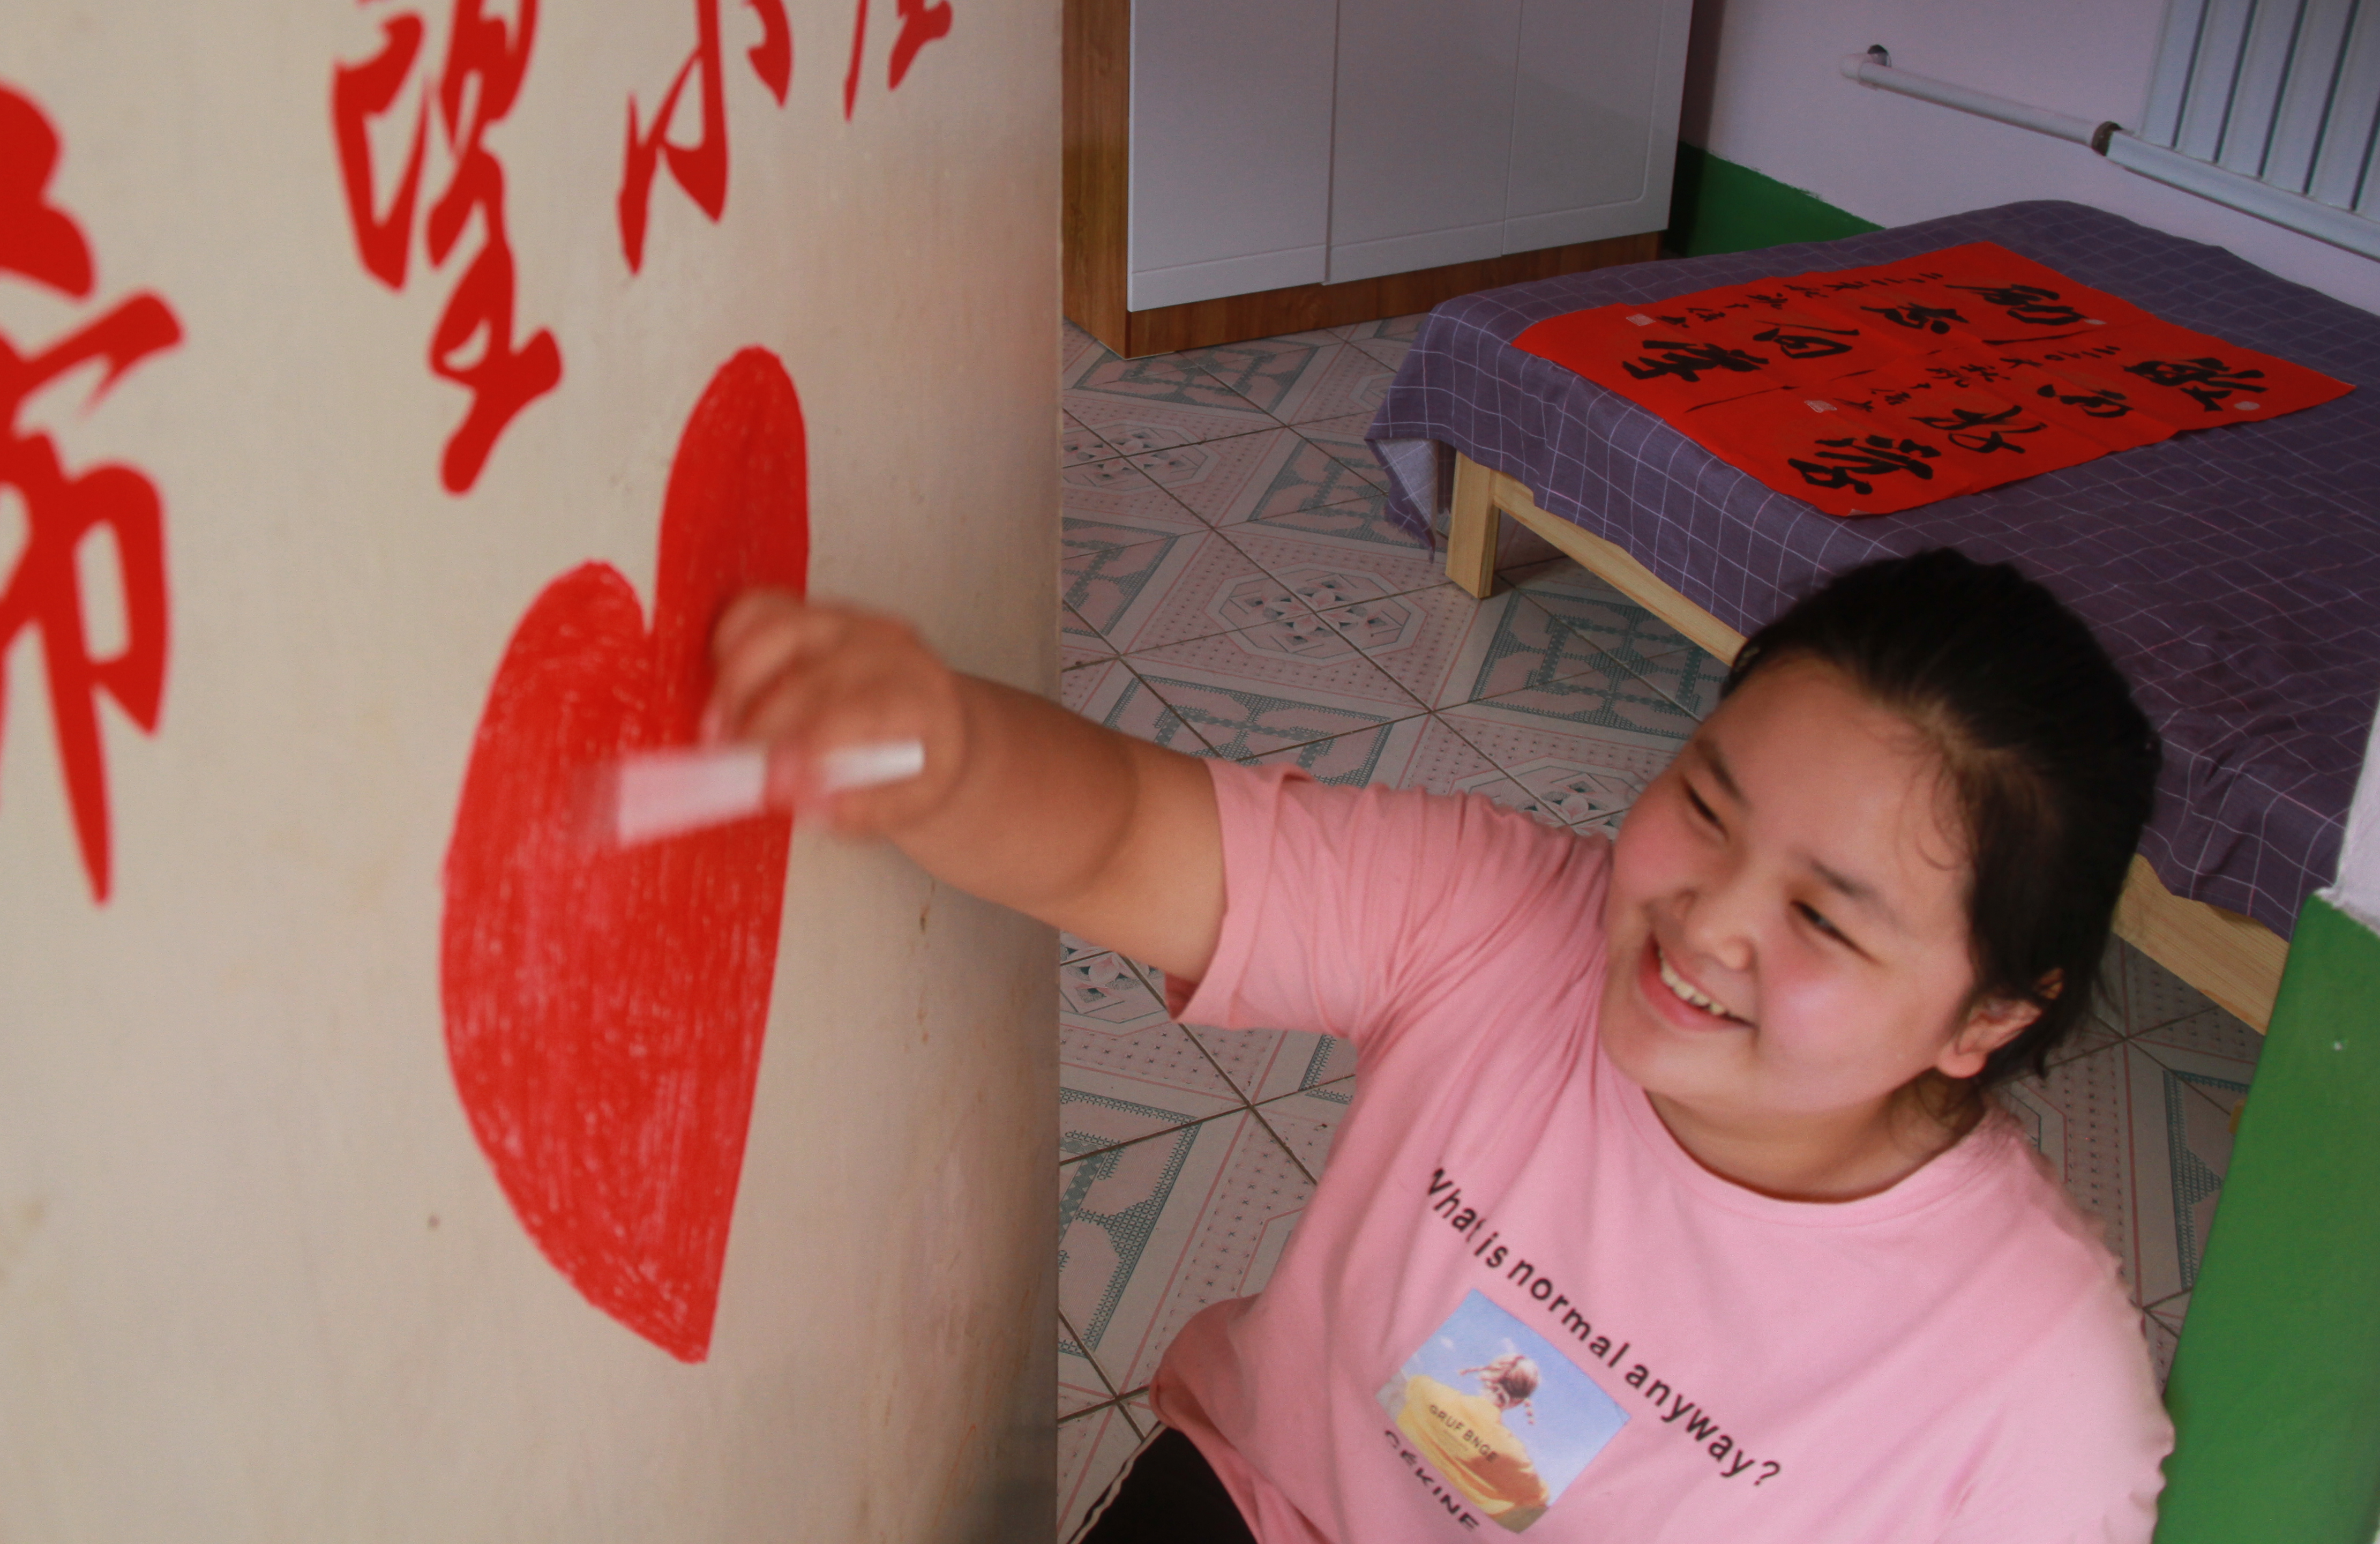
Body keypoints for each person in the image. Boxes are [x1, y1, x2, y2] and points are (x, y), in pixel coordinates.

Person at [707, 548, 2174, 1542]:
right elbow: (1132, 837)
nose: (1702, 922)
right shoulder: (1504, 916)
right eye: (1708, 808)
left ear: (1991, 1014)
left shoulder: (2030, 1382)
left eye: (1827, 919)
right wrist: (935, 748)